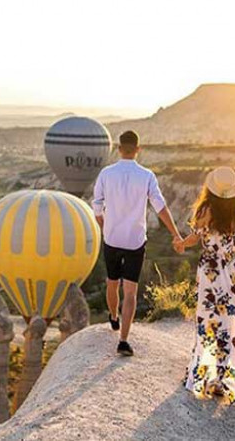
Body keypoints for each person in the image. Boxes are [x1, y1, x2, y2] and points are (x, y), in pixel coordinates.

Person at [174, 166, 235, 404]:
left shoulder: (205, 211)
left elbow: (194, 238)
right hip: (234, 270)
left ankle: (215, 377)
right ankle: (228, 378)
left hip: (211, 274)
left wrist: (180, 244)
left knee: (210, 323)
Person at [93, 130, 184, 356]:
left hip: (112, 239)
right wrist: (175, 233)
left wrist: (106, 226)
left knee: (112, 282)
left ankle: (113, 317)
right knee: (130, 292)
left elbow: (96, 207)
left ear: (118, 148)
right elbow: (160, 207)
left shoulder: (106, 173)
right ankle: (123, 340)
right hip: (135, 240)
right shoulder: (147, 176)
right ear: (138, 149)